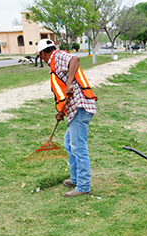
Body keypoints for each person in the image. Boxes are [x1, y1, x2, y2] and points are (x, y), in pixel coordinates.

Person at [37, 39, 97, 197]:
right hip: (73, 109)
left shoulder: (57, 56)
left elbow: (75, 59)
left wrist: (70, 83)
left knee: (78, 147)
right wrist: (61, 112)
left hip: (80, 107)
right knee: (69, 144)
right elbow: (63, 91)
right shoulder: (54, 65)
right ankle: (76, 178)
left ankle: (83, 186)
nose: (41, 59)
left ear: (43, 53)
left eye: (40, 56)